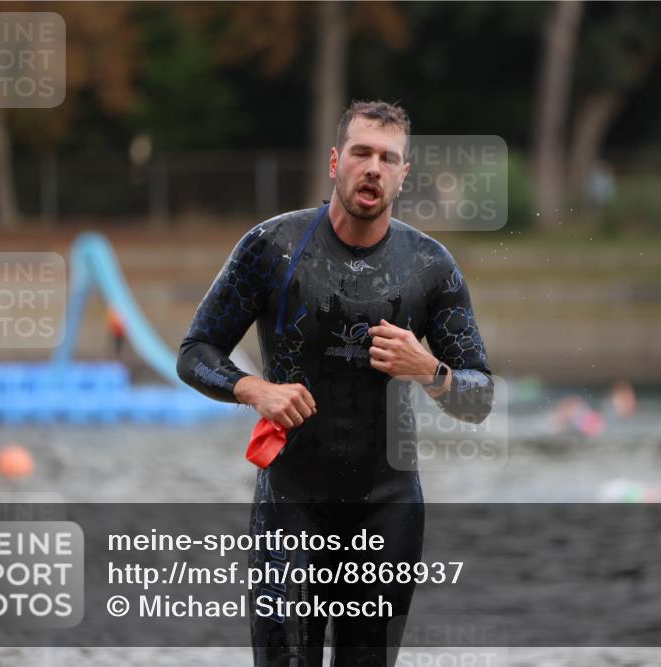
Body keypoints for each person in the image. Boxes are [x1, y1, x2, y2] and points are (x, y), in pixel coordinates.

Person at [177, 100, 493, 666]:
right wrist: (256, 390)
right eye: (361, 152)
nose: (372, 167)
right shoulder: (272, 248)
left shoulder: (430, 267)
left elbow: (479, 396)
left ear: (403, 174)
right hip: (290, 502)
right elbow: (194, 352)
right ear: (335, 161)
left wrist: (430, 371)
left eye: (387, 157)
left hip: (386, 510)